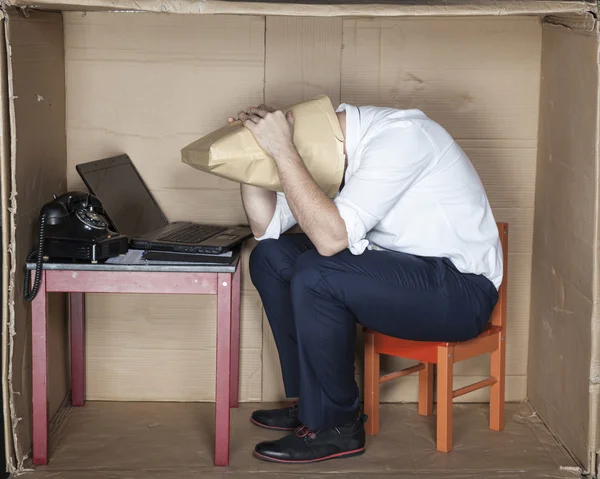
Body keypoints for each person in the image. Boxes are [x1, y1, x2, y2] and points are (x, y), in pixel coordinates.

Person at [229, 100, 503, 464]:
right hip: (403, 275)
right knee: (271, 258)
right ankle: (312, 403)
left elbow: (329, 241)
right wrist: (246, 157)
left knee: (317, 270)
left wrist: (283, 151)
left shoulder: (402, 138)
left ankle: (337, 425)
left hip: (460, 292)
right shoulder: (331, 147)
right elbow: (266, 229)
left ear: (323, 143)